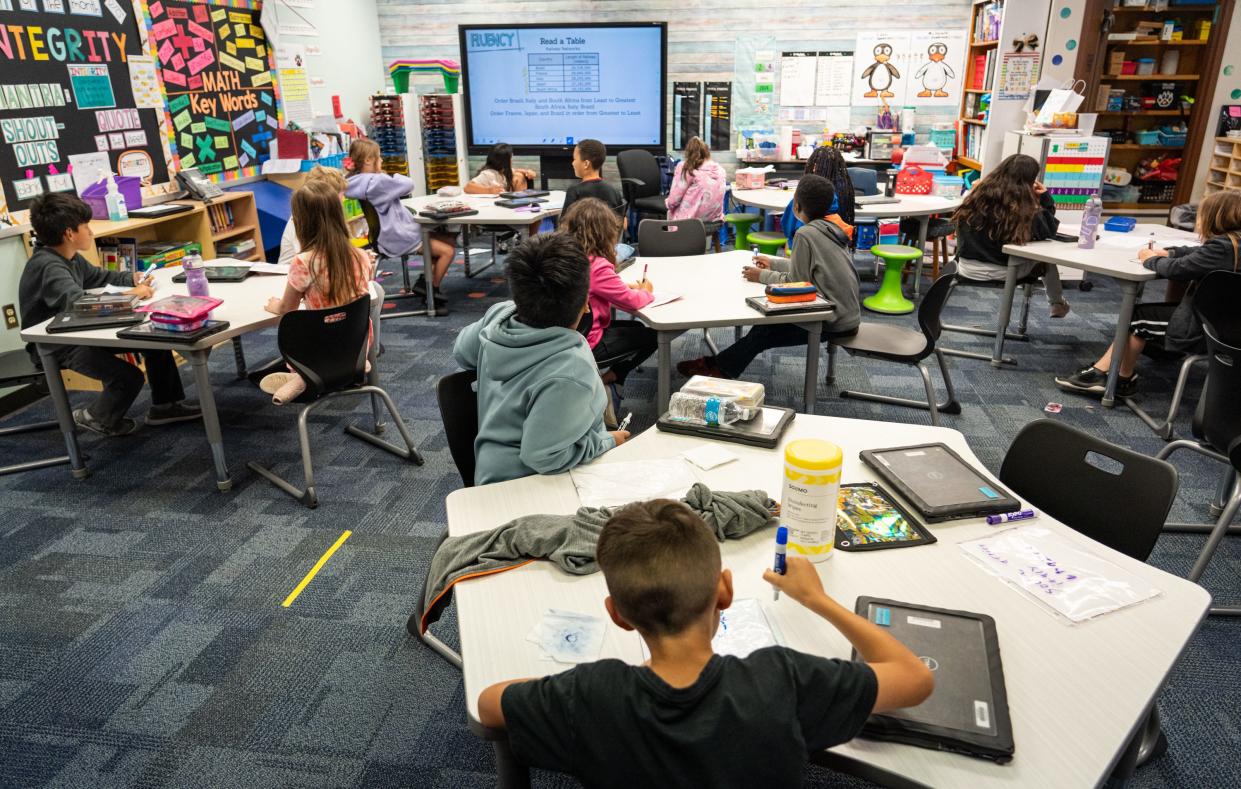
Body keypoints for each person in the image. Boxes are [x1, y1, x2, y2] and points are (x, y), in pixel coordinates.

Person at [476, 499, 934, 786]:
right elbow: (914, 679)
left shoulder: (589, 697)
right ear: (725, 592)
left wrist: (570, 690)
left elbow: (490, 704)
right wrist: (819, 600)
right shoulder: (784, 681)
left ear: (617, 616)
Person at [453, 233, 629, 485]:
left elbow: (461, 352)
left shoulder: (499, 318)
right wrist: (607, 441)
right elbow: (544, 457)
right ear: (585, 304)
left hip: (490, 474)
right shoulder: (571, 369)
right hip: (529, 487)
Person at [18, 193, 200, 436]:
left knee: (155, 341)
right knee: (128, 377)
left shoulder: (67, 256)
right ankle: (96, 417)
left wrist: (131, 278)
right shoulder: (48, 266)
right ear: (70, 234)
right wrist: (132, 294)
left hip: (78, 331)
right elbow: (80, 303)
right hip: (56, 345)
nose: (91, 233)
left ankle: (165, 407)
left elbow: (98, 277)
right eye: (86, 227)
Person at [1056, 189, 1241, 397]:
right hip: (1231, 324)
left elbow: (1175, 269)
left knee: (1137, 318)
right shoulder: (1231, 245)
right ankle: (1115, 372)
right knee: (1145, 315)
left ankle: (1113, 378)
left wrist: (1148, 258)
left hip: (1209, 330)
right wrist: (1170, 252)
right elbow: (1197, 254)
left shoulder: (1222, 249)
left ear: (1216, 218)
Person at [678, 175, 861, 380]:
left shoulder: (805, 235)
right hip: (848, 314)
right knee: (763, 330)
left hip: (829, 321)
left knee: (764, 331)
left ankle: (719, 369)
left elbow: (797, 284)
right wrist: (773, 263)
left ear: (796, 205)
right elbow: (809, 268)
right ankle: (719, 365)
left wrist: (762, 275)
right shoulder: (831, 228)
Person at [260, 181, 375, 405]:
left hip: (318, 348)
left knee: (297, 332)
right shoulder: (361, 256)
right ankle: (330, 371)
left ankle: (302, 377)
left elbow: (287, 309)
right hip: (356, 346)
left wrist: (274, 305)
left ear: (301, 221)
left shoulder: (304, 262)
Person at [560, 198, 656, 408]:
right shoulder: (598, 265)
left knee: (636, 327)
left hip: (567, 336)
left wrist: (623, 286)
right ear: (604, 233)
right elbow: (632, 303)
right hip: (590, 342)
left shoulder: (568, 257)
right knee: (653, 336)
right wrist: (647, 292)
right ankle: (614, 376)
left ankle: (614, 377)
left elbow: (599, 289)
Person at [345, 139, 457, 315]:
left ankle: (425, 283)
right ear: (368, 160)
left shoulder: (355, 181)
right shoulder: (377, 181)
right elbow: (408, 185)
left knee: (448, 239)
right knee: (448, 251)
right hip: (399, 236)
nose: (381, 161)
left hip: (386, 235)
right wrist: (392, 176)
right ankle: (432, 292)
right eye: (379, 157)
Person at [952, 153, 1071, 319]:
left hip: (966, 267)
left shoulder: (974, 198)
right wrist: (1045, 198)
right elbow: (1048, 230)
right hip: (1005, 271)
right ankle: (1057, 303)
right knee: (1046, 258)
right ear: (1030, 181)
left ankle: (1057, 304)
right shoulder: (1025, 211)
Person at [781, 145, 856, 248]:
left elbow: (788, 228)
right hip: (836, 245)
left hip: (804, 245)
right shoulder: (845, 190)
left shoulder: (803, 197)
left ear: (814, 165)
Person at [278, 165, 350, 267]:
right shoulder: (302, 221)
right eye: (341, 196)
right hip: (290, 275)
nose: (343, 200)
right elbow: (311, 261)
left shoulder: (325, 216)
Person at [665, 136, 726, 224]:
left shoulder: (686, 167)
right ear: (707, 152)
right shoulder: (720, 170)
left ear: (688, 152)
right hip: (714, 222)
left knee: (670, 209)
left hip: (690, 223)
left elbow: (673, 201)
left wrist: (667, 203)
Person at [561, 138, 622, 217]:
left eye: (574, 159)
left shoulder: (574, 191)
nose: (572, 163)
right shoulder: (614, 191)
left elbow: (564, 225)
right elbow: (623, 224)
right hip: (608, 229)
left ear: (586, 164)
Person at [463, 143, 537, 195]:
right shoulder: (489, 174)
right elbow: (468, 187)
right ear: (505, 161)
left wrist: (527, 172)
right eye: (511, 157)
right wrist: (489, 191)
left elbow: (515, 170)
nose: (512, 159)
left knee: (519, 175)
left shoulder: (503, 170)